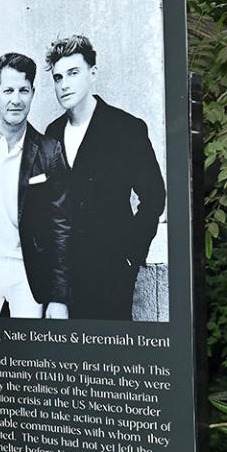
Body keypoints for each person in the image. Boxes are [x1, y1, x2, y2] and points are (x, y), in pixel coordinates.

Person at [44, 35, 166, 320]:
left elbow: (154, 197)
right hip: (63, 279)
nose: (65, 84)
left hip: (111, 271)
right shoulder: (51, 134)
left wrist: (130, 255)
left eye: (73, 73)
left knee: (111, 358)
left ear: (92, 73)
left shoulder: (126, 128)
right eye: (58, 77)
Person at [0, 52, 70, 319]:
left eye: (23, 90)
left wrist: (59, 297)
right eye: (8, 90)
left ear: (32, 93)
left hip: (29, 270)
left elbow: (62, 227)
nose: (15, 100)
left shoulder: (49, 151)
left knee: (31, 354)